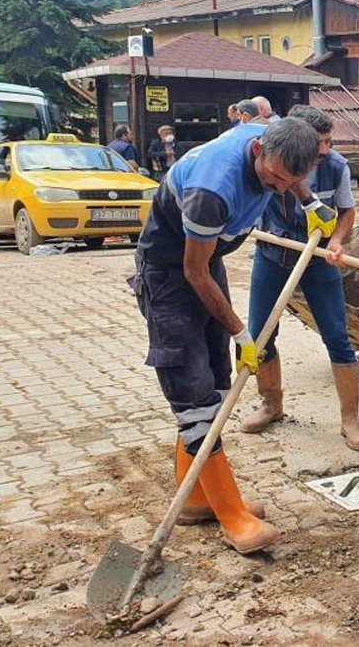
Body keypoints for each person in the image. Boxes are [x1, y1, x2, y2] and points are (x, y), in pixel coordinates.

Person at [131, 118, 337, 555]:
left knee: (217, 384)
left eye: (291, 180)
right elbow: (192, 271)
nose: (279, 187)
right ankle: (232, 517)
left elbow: (292, 179)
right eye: (274, 177)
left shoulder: (279, 143)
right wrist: (243, 333)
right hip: (172, 274)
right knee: (195, 396)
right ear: (258, 148)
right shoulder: (213, 190)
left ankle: (197, 499)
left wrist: (309, 201)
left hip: (208, 263)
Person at [240, 105, 359, 451]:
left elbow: (347, 211)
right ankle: (271, 404)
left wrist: (337, 241)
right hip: (272, 255)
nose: (327, 150)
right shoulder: (272, 160)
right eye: (322, 143)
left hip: (317, 261)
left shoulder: (336, 167)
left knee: (337, 337)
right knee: (260, 335)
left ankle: (350, 419)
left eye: (330, 141)